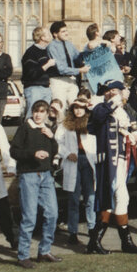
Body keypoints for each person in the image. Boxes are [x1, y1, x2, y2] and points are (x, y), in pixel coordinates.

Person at [87, 80, 137, 254]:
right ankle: (97, 241)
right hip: (108, 161)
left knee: (122, 198)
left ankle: (122, 241)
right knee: (108, 197)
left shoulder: (127, 112)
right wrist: (114, 101)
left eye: (115, 91)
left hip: (124, 160)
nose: (112, 94)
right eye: (110, 91)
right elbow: (95, 120)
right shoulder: (101, 107)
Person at [9, 100, 60, 268]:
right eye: (36, 111)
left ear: (47, 114)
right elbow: (14, 151)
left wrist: (52, 139)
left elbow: (54, 151)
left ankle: (44, 251)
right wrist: (33, 154)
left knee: (52, 213)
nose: (38, 115)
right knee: (29, 216)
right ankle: (23, 255)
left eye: (42, 112)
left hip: (46, 175)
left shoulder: (47, 129)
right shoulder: (25, 128)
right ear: (32, 112)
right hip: (29, 175)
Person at [56, 100, 97, 245]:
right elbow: (57, 142)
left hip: (89, 161)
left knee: (90, 197)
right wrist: (67, 153)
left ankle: (92, 228)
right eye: (76, 108)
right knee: (73, 199)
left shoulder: (92, 123)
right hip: (73, 161)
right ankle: (73, 232)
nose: (78, 111)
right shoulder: (65, 125)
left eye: (81, 108)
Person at [47, 21, 90, 106]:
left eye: (66, 31)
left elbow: (78, 58)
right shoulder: (51, 47)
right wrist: (80, 70)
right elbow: (61, 69)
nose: (66, 33)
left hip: (71, 80)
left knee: (77, 106)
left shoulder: (69, 44)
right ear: (55, 34)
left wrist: (91, 51)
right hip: (58, 81)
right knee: (60, 108)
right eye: (63, 31)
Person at [21, 26, 56, 120]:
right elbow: (31, 74)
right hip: (34, 88)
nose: (51, 36)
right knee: (32, 115)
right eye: (48, 34)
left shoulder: (47, 51)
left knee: (44, 117)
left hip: (46, 87)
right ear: (42, 37)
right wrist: (47, 65)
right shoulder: (30, 53)